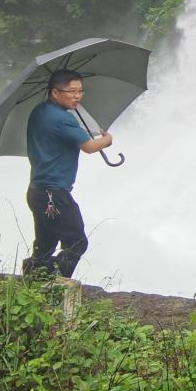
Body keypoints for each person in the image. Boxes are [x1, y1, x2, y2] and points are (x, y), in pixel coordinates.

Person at [21, 69, 114, 280]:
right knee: (77, 242)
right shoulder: (62, 119)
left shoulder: (40, 111)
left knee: (44, 246)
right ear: (55, 92)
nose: (77, 96)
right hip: (53, 193)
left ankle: (34, 285)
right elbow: (89, 146)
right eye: (71, 91)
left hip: (37, 191)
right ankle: (54, 284)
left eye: (80, 91)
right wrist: (107, 140)